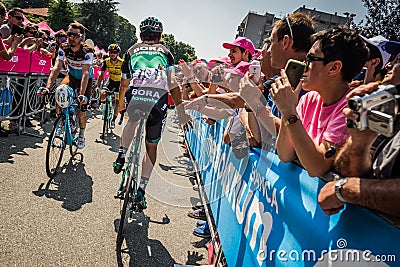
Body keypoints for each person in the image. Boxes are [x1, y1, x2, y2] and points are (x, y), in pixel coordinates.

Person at [114, 17, 191, 209]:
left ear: (140, 35)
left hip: (136, 94)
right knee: (151, 146)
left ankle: (122, 154)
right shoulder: (166, 51)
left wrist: (120, 105)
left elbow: (124, 84)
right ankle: (141, 188)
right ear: (160, 36)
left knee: (131, 122)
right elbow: (173, 83)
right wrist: (180, 111)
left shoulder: (131, 50)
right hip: (157, 99)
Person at [271, 26, 369, 177]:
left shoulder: (351, 108)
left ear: (334, 68)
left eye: (310, 59)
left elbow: (317, 167)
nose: (304, 65)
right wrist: (287, 110)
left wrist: (289, 111)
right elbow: (285, 155)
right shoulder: (309, 99)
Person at [318, 49, 400, 217]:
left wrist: (345, 190)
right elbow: (350, 172)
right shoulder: (390, 111)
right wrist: (360, 140)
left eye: (399, 60)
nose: (389, 64)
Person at [38, 21, 94, 149]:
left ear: (82, 37)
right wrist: (47, 87)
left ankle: (81, 134)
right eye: (69, 34)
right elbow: (57, 67)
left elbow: (85, 73)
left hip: (85, 80)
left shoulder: (87, 50)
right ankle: (61, 122)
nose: (71, 37)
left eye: (75, 35)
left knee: (81, 111)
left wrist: (81, 95)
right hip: (72, 77)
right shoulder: (63, 47)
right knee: (59, 91)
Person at [96, 43, 123, 128]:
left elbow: (127, 76)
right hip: (110, 81)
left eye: (114, 52)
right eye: (111, 52)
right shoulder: (106, 61)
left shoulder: (122, 62)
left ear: (118, 53)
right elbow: (101, 74)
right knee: (103, 94)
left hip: (119, 82)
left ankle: (113, 120)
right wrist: (97, 86)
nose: (112, 54)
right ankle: (104, 104)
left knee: (118, 102)